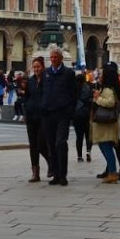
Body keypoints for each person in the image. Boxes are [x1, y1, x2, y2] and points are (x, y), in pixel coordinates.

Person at [40, 47, 77, 185]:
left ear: (61, 58)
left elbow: (74, 93)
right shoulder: (46, 73)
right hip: (48, 113)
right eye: (52, 58)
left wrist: (69, 110)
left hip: (62, 113)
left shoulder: (68, 73)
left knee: (60, 143)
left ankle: (63, 174)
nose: (53, 60)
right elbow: (43, 91)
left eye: (55, 57)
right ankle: (55, 174)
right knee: (51, 144)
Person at [89, 63, 120, 183]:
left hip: (106, 123)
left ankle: (113, 173)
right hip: (106, 123)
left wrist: (97, 98)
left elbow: (110, 102)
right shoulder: (111, 88)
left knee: (106, 146)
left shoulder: (108, 89)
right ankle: (111, 171)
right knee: (104, 146)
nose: (100, 75)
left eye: (102, 73)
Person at [22, 57, 46, 182]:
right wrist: (25, 112)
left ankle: (52, 163)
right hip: (31, 116)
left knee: (41, 143)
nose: (36, 69)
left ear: (43, 67)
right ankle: (35, 172)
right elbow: (25, 97)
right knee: (33, 145)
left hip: (43, 116)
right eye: (34, 67)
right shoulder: (30, 81)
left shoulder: (47, 80)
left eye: (38, 66)